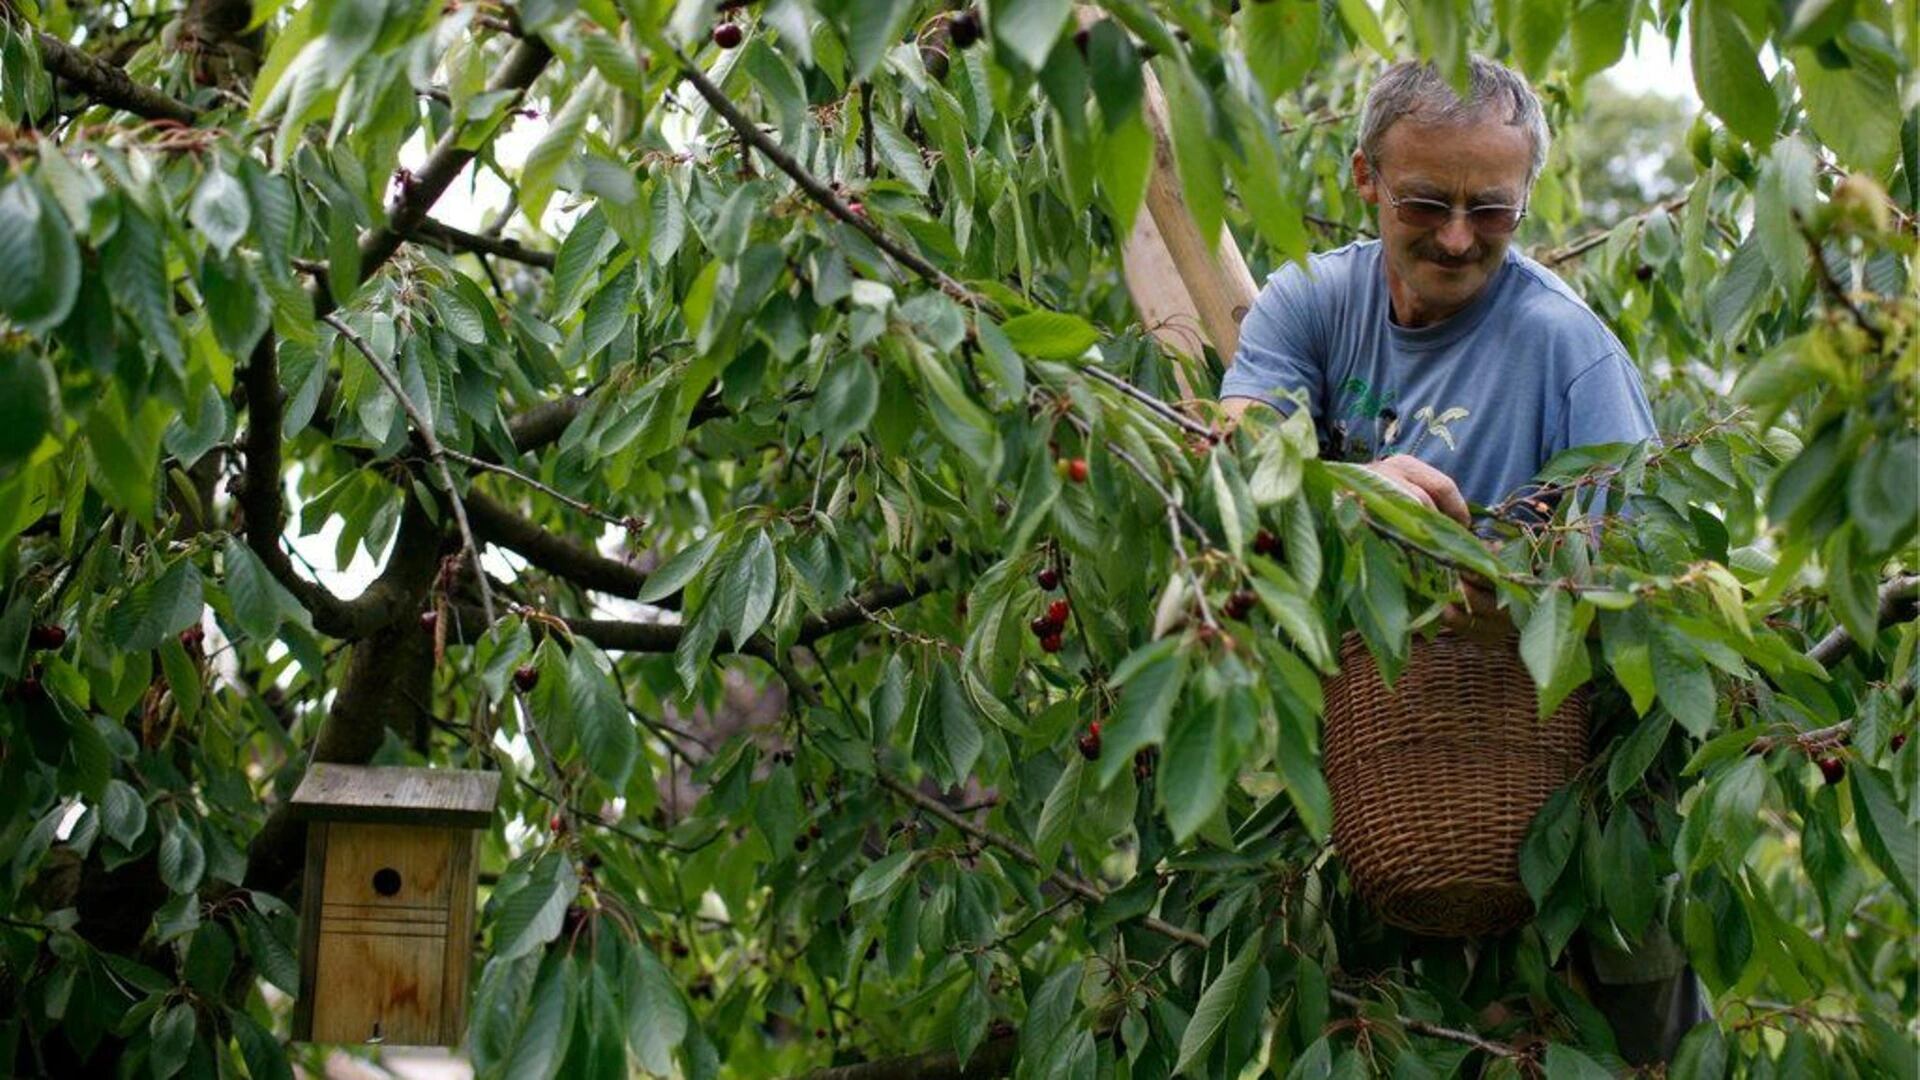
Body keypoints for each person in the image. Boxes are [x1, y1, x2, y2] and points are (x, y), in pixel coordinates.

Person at [1219, 57, 1697, 1066]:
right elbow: (1234, 455)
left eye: (1493, 210)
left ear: (1526, 196)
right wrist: (1354, 485)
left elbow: (1648, 576)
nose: (1456, 237)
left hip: (1559, 763)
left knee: (1632, 1001)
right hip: (1389, 767)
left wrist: (1510, 569)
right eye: (1426, 201)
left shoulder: (1570, 350)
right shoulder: (1311, 302)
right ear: (1365, 178)